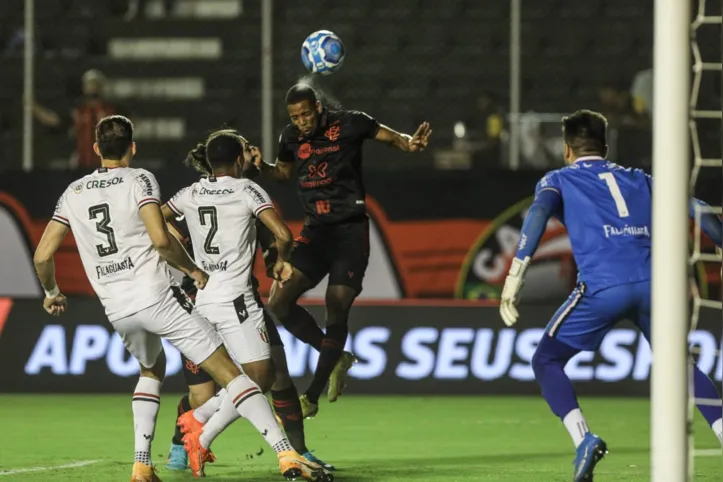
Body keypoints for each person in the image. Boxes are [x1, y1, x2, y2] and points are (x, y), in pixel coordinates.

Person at [32, 115, 323, 482]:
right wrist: (193, 271)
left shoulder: (72, 193)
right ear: (133, 147)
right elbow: (160, 239)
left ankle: (141, 464)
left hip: (117, 309)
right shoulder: (140, 179)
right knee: (237, 377)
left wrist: (52, 292)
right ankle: (287, 457)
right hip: (160, 300)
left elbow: (42, 256)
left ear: (95, 150)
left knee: (150, 370)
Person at [498, 110, 723, 481]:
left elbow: (538, 211)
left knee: (546, 361)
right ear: (605, 146)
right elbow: (697, 208)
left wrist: (516, 272)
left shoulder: (558, 179)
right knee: (682, 366)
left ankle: (584, 439)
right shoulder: (641, 178)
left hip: (603, 288)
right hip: (658, 287)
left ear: (567, 150)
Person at [161, 130, 334, 474]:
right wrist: (284, 261)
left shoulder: (190, 192)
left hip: (202, 299)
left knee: (267, 377)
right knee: (257, 379)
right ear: (240, 159)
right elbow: (284, 234)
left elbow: (155, 221)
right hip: (237, 301)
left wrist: (181, 253)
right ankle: (198, 432)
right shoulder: (249, 191)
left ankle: (291, 450)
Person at [256, 84, 432, 418]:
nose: (302, 121)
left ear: (318, 107)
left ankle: (311, 395)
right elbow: (282, 173)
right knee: (278, 302)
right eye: (295, 116)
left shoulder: (351, 123)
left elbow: (392, 136)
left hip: (350, 231)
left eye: (306, 113)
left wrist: (409, 143)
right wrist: (259, 166)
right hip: (316, 231)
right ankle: (336, 355)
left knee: (336, 305)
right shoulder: (290, 137)